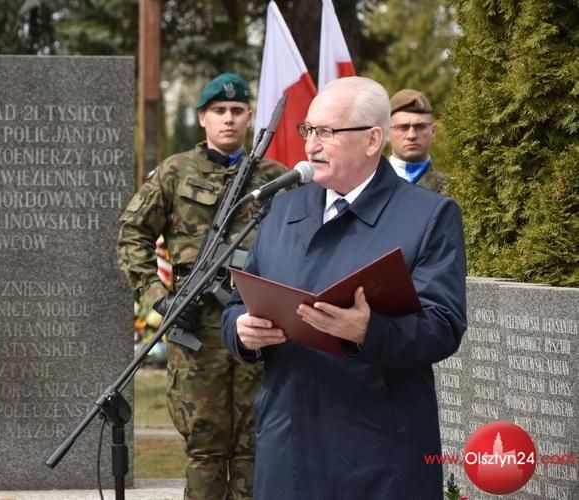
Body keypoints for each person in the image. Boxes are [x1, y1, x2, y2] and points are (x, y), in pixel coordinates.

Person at [221, 76, 467, 499]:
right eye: (308, 130)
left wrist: (367, 331)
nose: (310, 145)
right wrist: (242, 331)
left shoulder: (428, 216)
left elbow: (443, 326)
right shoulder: (282, 209)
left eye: (326, 132)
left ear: (373, 140)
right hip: (289, 442)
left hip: (378, 451)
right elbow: (235, 303)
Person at [117, 72, 287, 499]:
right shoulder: (175, 173)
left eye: (236, 111)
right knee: (205, 447)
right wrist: (161, 298)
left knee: (255, 444)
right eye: (218, 111)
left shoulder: (277, 177)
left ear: (249, 117)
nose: (228, 119)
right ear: (202, 119)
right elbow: (132, 236)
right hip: (197, 332)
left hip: (258, 326)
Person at [388, 88, 447, 193]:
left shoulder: (453, 189)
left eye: (420, 127)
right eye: (403, 127)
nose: (412, 135)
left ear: (433, 131)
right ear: (387, 132)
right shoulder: (366, 185)